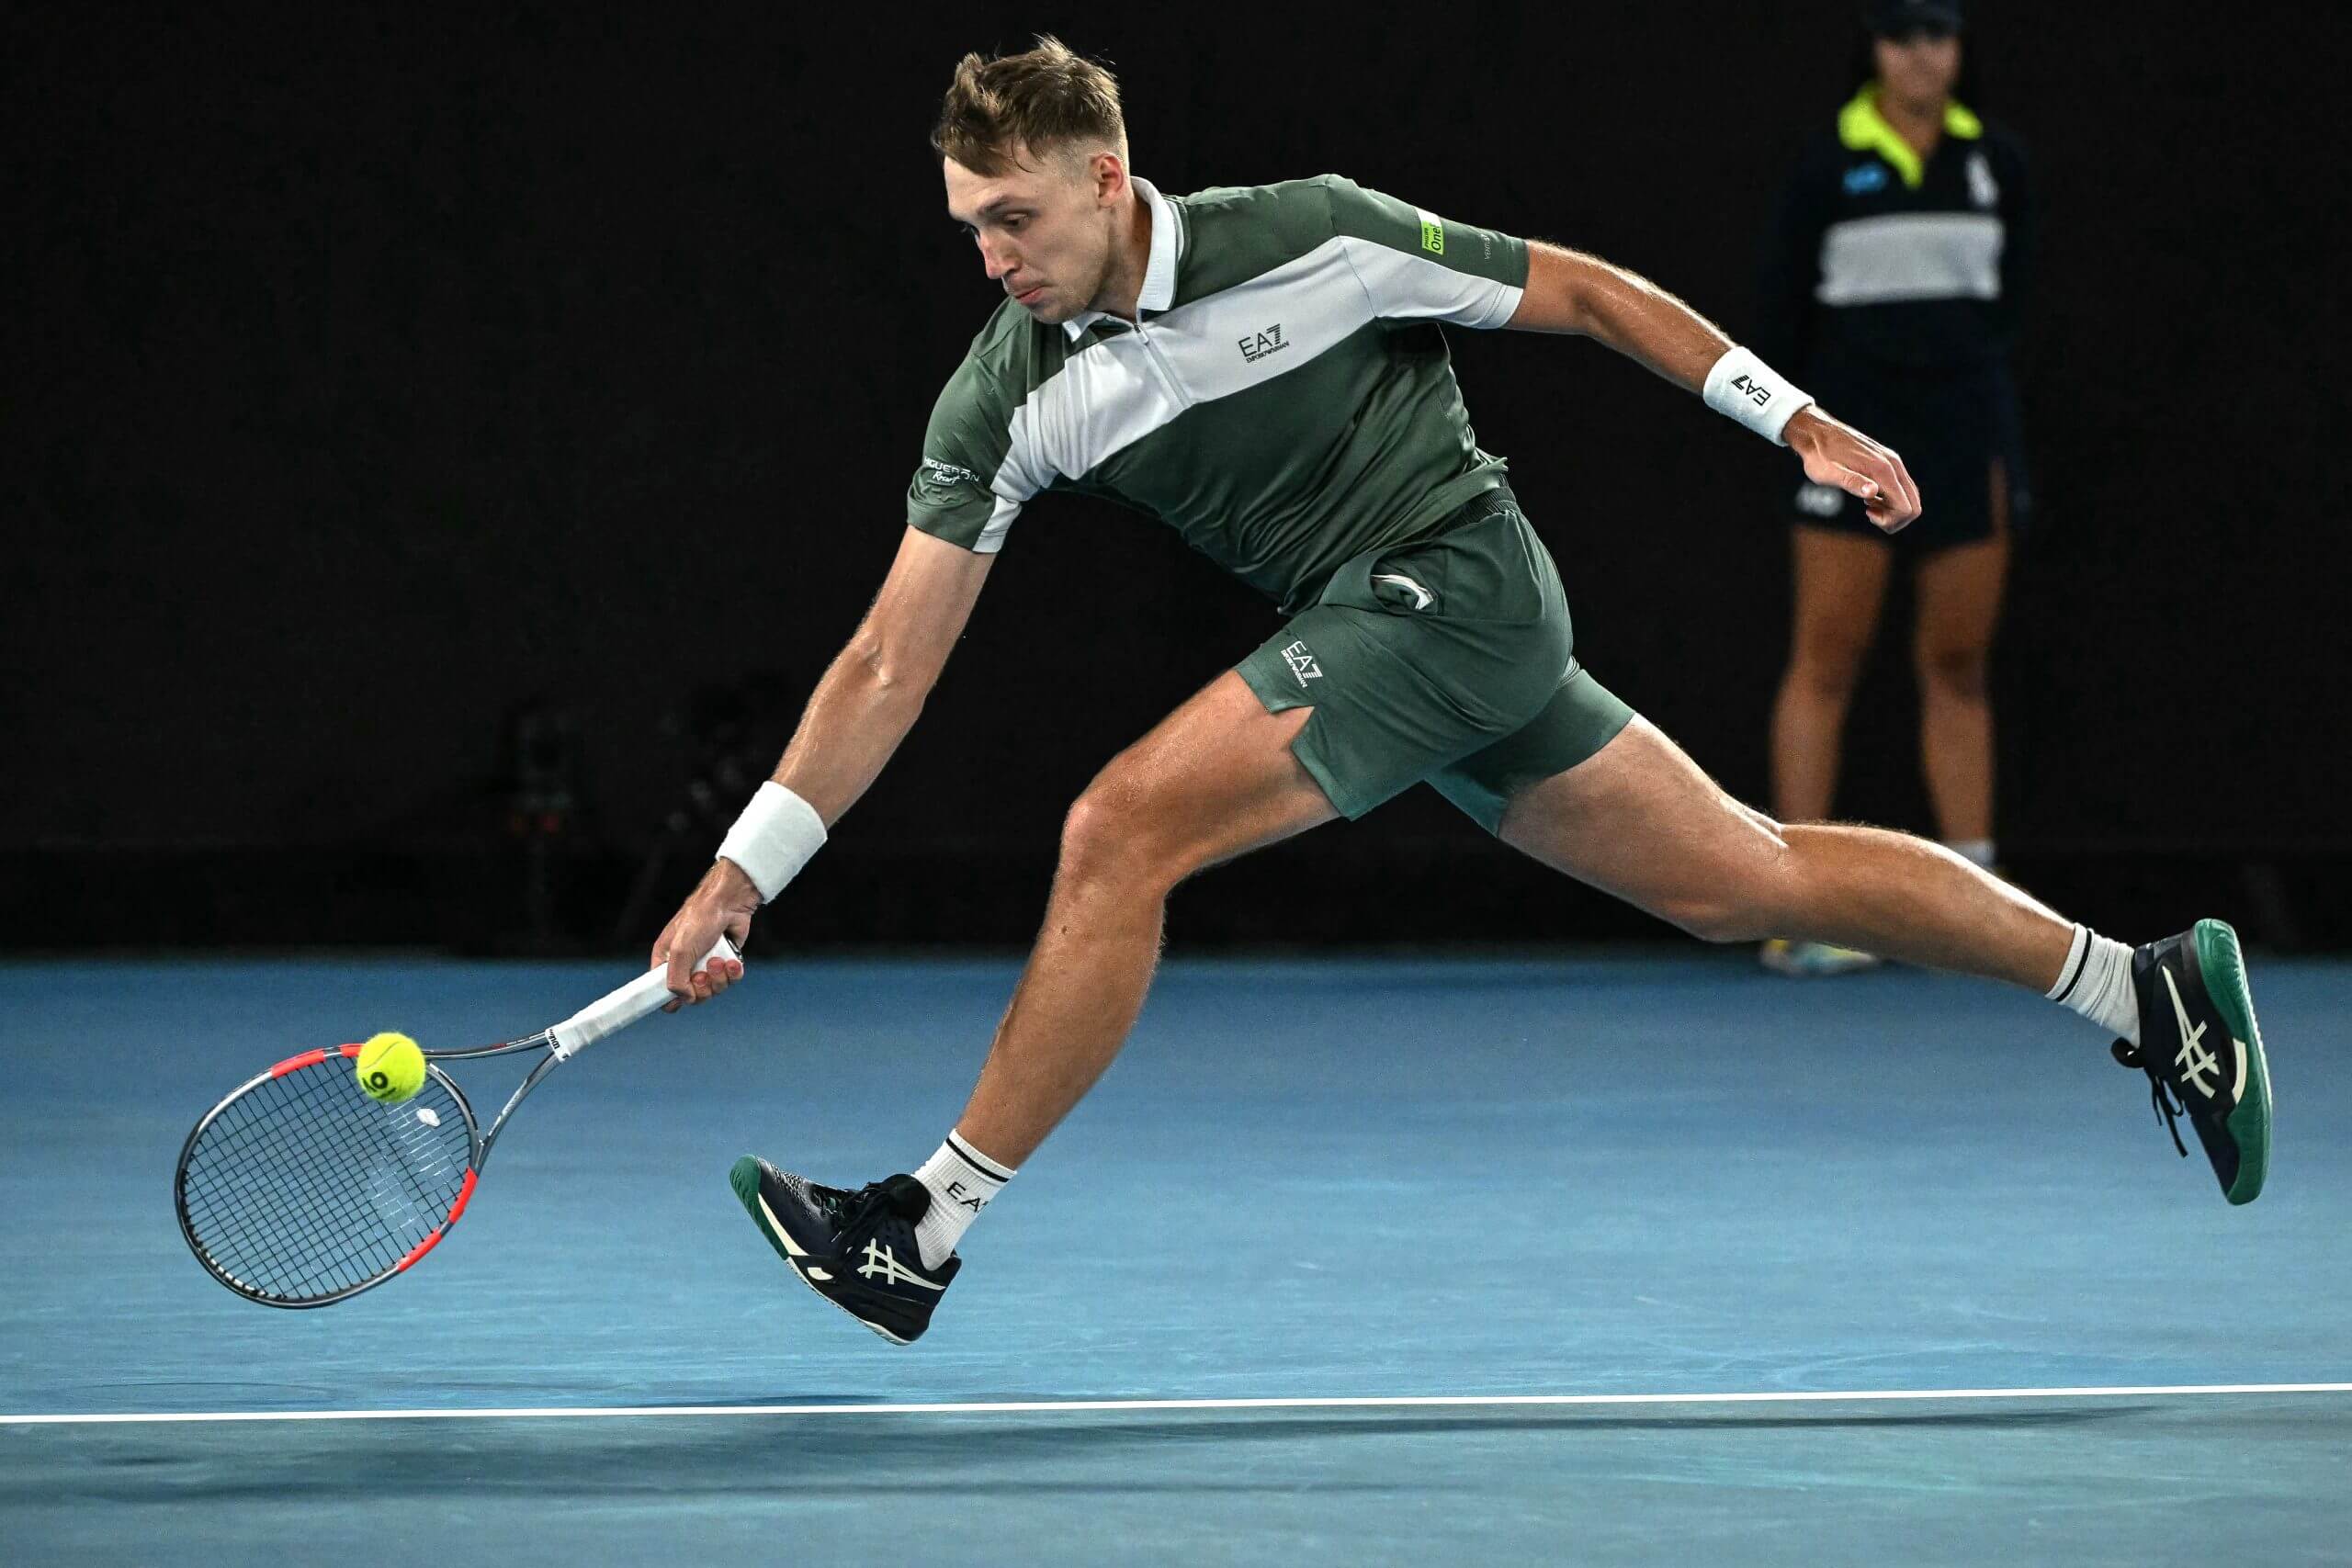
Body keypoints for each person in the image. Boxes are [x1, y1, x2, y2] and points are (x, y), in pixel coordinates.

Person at [651, 37, 2269, 1346]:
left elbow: (1586, 293)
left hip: (1458, 584)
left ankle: (924, 1228)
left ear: (1106, 177)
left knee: (1119, 828)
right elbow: (890, 657)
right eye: (970, 227)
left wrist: (1792, 418)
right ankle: (2142, 991)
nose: (994, 256)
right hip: (1392, 637)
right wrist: (744, 868)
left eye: (1016, 216)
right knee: (1744, 878)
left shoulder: (1316, 234)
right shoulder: (1005, 395)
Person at [1757, 0, 2035, 977]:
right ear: (1875, 51)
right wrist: (1817, 432)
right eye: (1901, 38)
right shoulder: (1825, 165)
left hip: (1966, 441)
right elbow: (1781, 313)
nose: (1921, 57)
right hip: (1853, 445)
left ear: (1957, 50)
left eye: (1937, 37)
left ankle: (1981, 910)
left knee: (1959, 664)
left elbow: (2008, 309)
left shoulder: (1995, 164)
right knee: (1825, 662)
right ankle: (1796, 908)